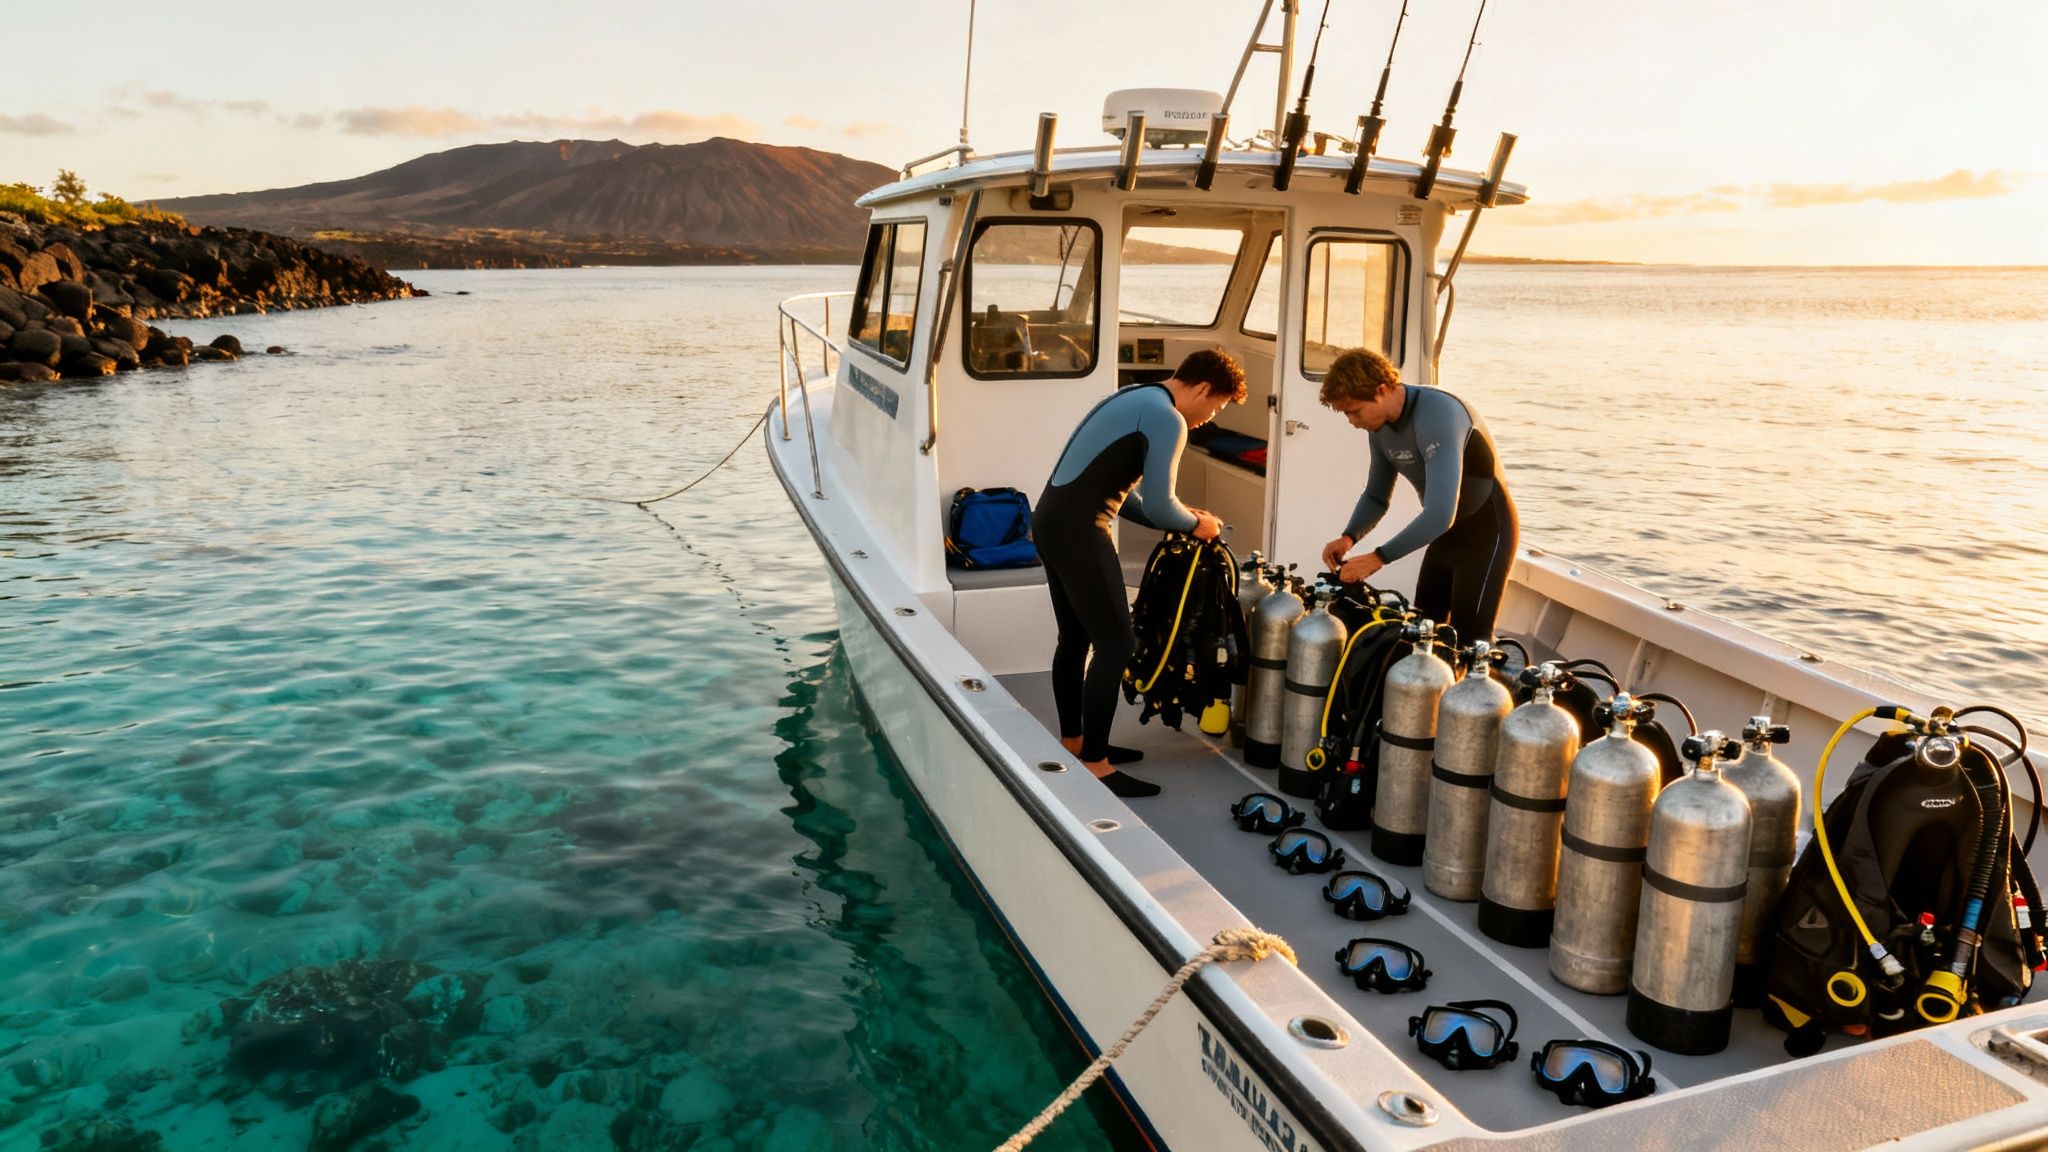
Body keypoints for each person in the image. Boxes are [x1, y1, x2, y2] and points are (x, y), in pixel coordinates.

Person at [1037, 348, 1247, 796]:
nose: (1210, 417)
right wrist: (1198, 523)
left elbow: (1126, 498)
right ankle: (1096, 764)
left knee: (1075, 638)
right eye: (1215, 407)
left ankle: (1075, 742)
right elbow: (1157, 504)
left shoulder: (1135, 397)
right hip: (1080, 531)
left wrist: (1184, 515)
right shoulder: (1168, 420)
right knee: (1117, 642)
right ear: (1204, 388)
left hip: (1051, 520)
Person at [1318, 347, 1518, 643]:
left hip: (1486, 531)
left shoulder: (1437, 414)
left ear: (1382, 390)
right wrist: (1349, 537)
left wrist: (1378, 558)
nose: (1352, 421)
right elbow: (1376, 496)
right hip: (1444, 536)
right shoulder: (1379, 429)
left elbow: (1440, 513)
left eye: (1354, 411)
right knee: (1425, 633)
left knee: (1471, 643)